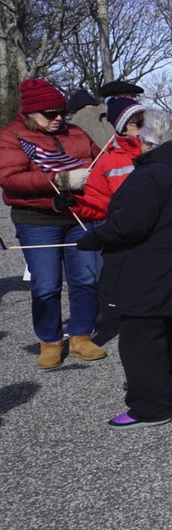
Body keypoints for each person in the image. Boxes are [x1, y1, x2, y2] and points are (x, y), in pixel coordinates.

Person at [75, 110, 172, 429]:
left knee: (141, 337)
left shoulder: (151, 174)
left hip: (152, 270)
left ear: (151, 142)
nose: (138, 145)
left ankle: (150, 407)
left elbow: (128, 225)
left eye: (141, 140)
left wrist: (93, 238)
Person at [0, 78, 107, 369]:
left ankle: (81, 337)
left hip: (78, 214)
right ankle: (49, 341)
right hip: (36, 220)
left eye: (61, 112)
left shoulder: (77, 132)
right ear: (30, 114)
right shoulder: (11, 136)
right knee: (46, 285)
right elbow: (9, 179)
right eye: (50, 114)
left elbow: (101, 162)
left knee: (85, 279)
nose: (59, 118)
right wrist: (56, 183)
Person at [75, 95, 147, 221]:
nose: (145, 127)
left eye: (147, 121)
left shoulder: (164, 148)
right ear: (123, 129)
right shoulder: (107, 161)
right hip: (130, 229)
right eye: (138, 123)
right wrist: (75, 204)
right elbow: (99, 202)